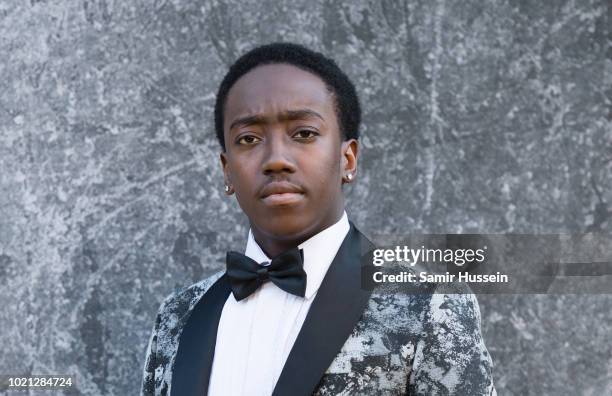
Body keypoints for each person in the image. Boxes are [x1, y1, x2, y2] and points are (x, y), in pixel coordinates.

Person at [141, 42, 496, 396]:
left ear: (349, 159)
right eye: (248, 138)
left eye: (304, 134)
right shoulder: (179, 315)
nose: (276, 159)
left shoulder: (428, 304)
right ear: (227, 170)